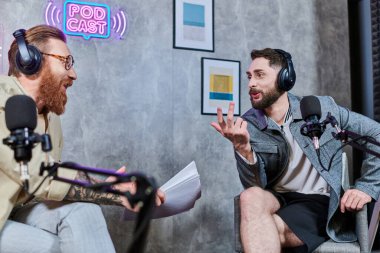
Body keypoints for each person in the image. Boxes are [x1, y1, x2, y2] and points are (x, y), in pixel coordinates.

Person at [0, 24, 165, 253]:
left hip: (16, 209)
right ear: (32, 61)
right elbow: (41, 176)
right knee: (54, 248)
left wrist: (105, 186)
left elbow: (48, 176)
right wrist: (113, 191)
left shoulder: (50, 118)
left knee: (84, 211)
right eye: (65, 62)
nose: (73, 74)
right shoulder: (3, 101)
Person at [211, 48, 380, 253]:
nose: (251, 84)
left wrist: (366, 187)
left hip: (318, 202)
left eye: (259, 75)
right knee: (250, 197)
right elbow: (256, 185)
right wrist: (244, 150)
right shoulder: (249, 125)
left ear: (285, 78)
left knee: (261, 229)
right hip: (278, 199)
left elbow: (376, 134)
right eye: (249, 77)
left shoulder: (323, 109)